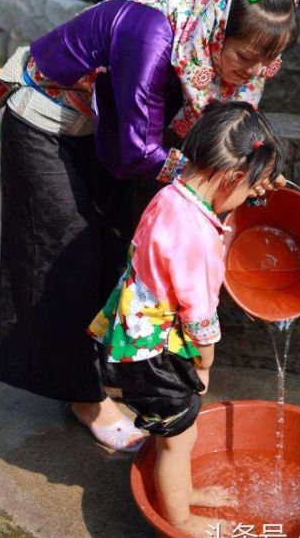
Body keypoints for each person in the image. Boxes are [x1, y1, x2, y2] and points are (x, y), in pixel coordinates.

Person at [0, 0, 299, 451]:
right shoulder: (152, 37)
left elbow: (221, 131)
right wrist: (208, 182)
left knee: (118, 245)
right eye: (246, 58)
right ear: (219, 30)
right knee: (66, 256)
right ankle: (84, 398)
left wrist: (252, 172)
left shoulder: (206, 44)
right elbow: (132, 153)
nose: (255, 74)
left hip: (103, 126)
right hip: (46, 120)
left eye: (270, 63)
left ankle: (105, 368)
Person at [87, 101, 285, 537]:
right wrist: (205, 361)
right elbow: (199, 313)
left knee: (171, 428)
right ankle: (180, 517)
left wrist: (260, 183)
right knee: (179, 438)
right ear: (231, 177)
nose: (253, 194)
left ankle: (181, 490)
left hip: (135, 329)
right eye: (250, 187)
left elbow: (222, 200)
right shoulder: (195, 236)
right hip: (154, 353)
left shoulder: (177, 188)